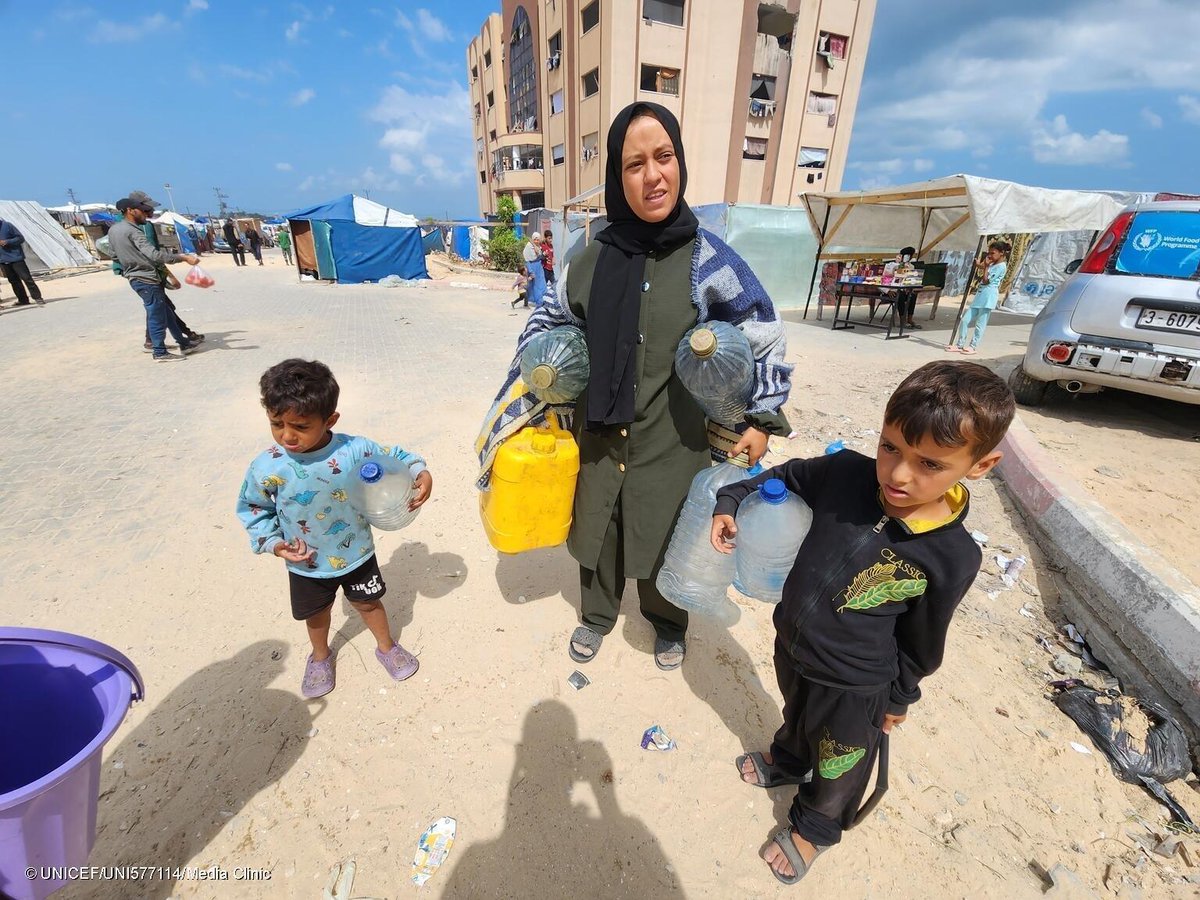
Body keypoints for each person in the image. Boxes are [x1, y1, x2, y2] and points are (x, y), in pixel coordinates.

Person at [477, 101, 792, 671]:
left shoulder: (710, 259)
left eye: (664, 157)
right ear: (617, 179)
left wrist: (760, 418)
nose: (653, 176)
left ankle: (667, 620)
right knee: (598, 527)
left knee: (669, 526)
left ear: (680, 162)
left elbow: (763, 333)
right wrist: (546, 369)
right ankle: (596, 616)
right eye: (634, 164)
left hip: (673, 437)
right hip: (598, 431)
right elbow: (548, 321)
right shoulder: (590, 256)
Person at [711, 361, 1015, 884]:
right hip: (795, 643)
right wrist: (733, 498)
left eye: (930, 464)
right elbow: (785, 476)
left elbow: (923, 640)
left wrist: (899, 699)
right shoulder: (847, 473)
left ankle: (815, 826)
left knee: (841, 759)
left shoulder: (952, 555)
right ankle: (787, 759)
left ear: (980, 465)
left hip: (857, 683)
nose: (898, 474)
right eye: (890, 447)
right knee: (797, 713)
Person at [236, 359, 434, 699]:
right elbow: (255, 507)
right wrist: (273, 542)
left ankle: (387, 647)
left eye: (300, 425)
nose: (287, 435)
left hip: (356, 553)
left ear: (330, 420)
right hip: (306, 563)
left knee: (370, 604)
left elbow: (396, 455)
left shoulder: (354, 450)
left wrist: (420, 471)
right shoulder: (267, 465)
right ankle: (320, 656)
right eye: (276, 423)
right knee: (316, 615)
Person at [109, 194, 203, 362]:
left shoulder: (114, 230)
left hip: (136, 277)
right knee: (156, 315)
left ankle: (183, 342)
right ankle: (159, 351)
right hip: (147, 279)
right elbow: (154, 255)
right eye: (143, 210)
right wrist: (183, 257)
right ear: (130, 211)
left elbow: (113, 255)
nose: (146, 214)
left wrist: (130, 267)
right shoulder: (133, 231)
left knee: (166, 312)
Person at [947, 240, 1011, 355]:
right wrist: (980, 264)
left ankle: (973, 346)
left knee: (980, 324)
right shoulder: (993, 263)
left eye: (993, 253)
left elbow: (986, 281)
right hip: (981, 295)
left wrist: (985, 267)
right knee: (965, 320)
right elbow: (983, 266)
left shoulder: (1001, 266)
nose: (990, 255)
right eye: (989, 253)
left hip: (988, 296)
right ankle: (960, 344)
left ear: (1001, 253)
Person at [0, 217, 45, 306]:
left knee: (26, 278)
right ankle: (23, 300)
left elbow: (20, 238)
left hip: (16, 258)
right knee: (14, 281)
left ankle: (37, 298)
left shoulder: (7, 225)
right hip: (3, 260)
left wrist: (7, 241)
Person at [521, 232, 547, 306]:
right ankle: (534, 300)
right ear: (532, 239)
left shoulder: (538, 247)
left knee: (542, 283)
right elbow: (527, 260)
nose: (536, 241)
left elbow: (539, 257)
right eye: (535, 239)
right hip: (532, 268)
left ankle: (541, 299)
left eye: (538, 239)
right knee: (534, 285)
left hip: (539, 268)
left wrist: (543, 255)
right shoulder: (529, 247)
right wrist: (531, 271)